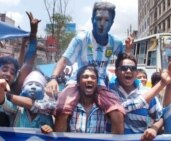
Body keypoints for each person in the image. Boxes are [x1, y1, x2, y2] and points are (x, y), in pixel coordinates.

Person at [45, 1, 131, 133]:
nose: (102, 23)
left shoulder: (116, 43)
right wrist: (53, 78)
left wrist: (129, 51)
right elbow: (64, 60)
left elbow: (124, 64)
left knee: (118, 114)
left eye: (107, 20)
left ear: (112, 22)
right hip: (77, 82)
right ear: (92, 20)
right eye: (98, 19)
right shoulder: (81, 39)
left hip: (100, 83)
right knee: (62, 110)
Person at [109, 53, 171, 140]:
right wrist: (162, 84)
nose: (128, 71)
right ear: (116, 72)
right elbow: (121, 109)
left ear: (136, 73)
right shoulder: (109, 91)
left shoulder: (147, 93)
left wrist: (154, 129)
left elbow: (160, 117)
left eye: (132, 68)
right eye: (124, 68)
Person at [53, 65, 124, 133]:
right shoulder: (69, 107)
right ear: (78, 82)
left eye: (93, 77)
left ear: (97, 83)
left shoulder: (104, 108)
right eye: (85, 77)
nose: (90, 80)